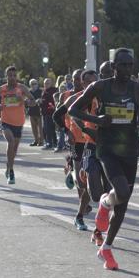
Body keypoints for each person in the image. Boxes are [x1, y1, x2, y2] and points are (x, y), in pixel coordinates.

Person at [68, 48, 139, 270]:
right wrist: (96, 118)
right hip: (106, 149)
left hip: (129, 150)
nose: (127, 69)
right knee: (122, 192)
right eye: (123, 65)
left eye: (130, 65)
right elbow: (73, 109)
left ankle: (106, 248)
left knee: (123, 206)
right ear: (113, 67)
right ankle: (105, 204)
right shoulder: (100, 87)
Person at [53, 70, 98, 232]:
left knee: (95, 182)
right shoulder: (74, 98)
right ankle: (80, 213)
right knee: (83, 182)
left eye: (95, 80)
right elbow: (57, 116)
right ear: (82, 82)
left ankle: (73, 172)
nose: (93, 84)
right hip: (78, 142)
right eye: (88, 81)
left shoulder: (104, 97)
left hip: (97, 142)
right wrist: (68, 132)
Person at [0, 66, 37, 184]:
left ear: (16, 76)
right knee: (10, 142)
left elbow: (33, 101)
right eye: (9, 75)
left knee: (14, 150)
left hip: (18, 122)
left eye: (14, 75)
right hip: (5, 121)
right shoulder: (1, 89)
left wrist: (27, 102)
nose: (12, 77)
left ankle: (8, 166)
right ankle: (11, 171)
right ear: (6, 76)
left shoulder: (22, 88)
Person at [40, 78, 58, 150]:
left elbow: (51, 101)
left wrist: (43, 101)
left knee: (49, 128)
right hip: (44, 112)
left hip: (51, 112)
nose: (46, 84)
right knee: (46, 128)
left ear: (51, 83)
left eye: (48, 83)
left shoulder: (53, 91)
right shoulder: (44, 91)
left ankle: (50, 143)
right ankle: (51, 142)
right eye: (45, 83)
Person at [27, 79, 44, 146]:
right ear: (30, 85)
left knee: (40, 128)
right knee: (33, 128)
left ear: (37, 84)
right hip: (31, 111)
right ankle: (36, 140)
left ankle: (41, 141)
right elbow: (27, 101)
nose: (34, 85)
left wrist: (39, 101)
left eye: (35, 83)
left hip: (39, 111)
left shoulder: (41, 91)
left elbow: (43, 100)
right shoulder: (29, 92)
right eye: (32, 84)